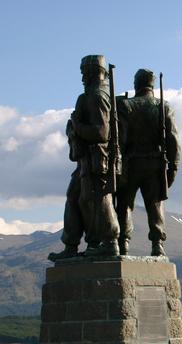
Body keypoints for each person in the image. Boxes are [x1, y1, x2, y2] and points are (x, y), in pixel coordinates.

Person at [116, 69, 180, 256]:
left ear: (136, 84)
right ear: (152, 85)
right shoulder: (164, 107)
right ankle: (158, 244)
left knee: (124, 204)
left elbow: (119, 138)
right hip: (154, 164)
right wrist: (173, 165)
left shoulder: (126, 106)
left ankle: (123, 243)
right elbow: (173, 138)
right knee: (155, 204)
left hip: (130, 164)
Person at [68, 54, 120, 257]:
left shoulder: (97, 96)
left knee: (100, 198)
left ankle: (109, 241)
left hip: (98, 158)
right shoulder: (94, 94)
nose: (82, 77)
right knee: (77, 197)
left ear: (91, 72)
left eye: (84, 72)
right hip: (88, 159)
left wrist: (76, 126)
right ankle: (79, 244)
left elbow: (101, 132)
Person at [46, 119, 97, 261]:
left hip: (98, 164)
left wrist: (78, 126)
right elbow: (73, 155)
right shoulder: (83, 108)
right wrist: (73, 131)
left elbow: (101, 132)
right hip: (83, 164)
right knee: (72, 199)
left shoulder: (97, 101)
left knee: (87, 201)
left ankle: (94, 244)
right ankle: (70, 246)